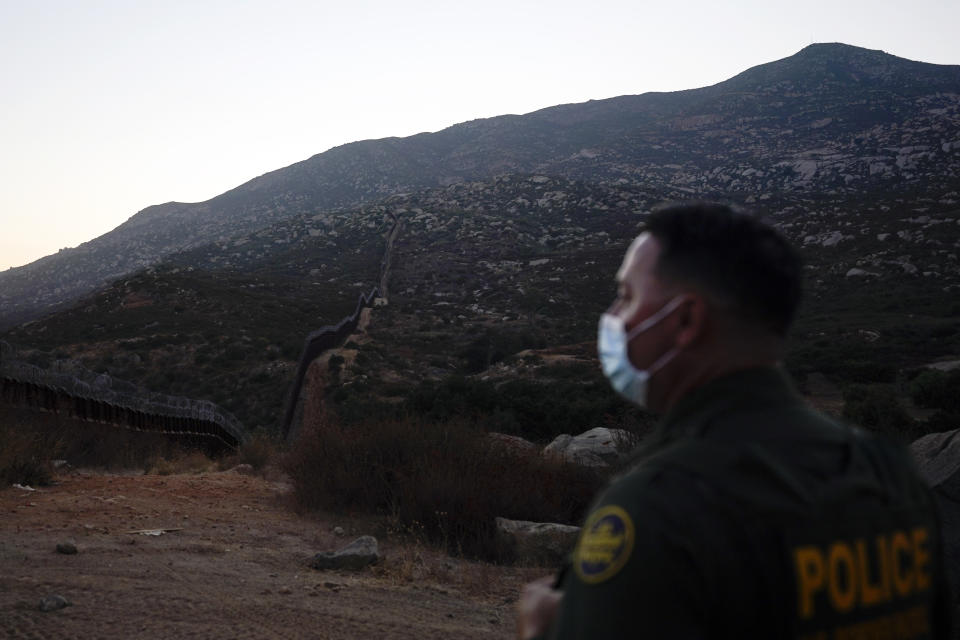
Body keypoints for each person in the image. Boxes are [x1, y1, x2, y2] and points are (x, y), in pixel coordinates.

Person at [517, 202, 952, 639]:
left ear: (685, 320)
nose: (613, 316)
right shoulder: (893, 476)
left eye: (627, 296)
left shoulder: (660, 509)